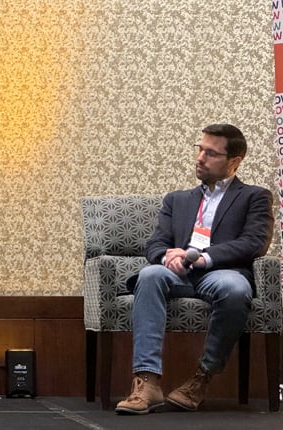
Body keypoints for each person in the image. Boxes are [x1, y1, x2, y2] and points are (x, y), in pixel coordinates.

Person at [115, 124, 273, 415]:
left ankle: (201, 379)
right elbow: (156, 244)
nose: (200, 158)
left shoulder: (255, 197)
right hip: (177, 273)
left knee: (235, 289)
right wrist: (168, 257)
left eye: (211, 153)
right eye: (200, 149)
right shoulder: (177, 200)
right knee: (149, 275)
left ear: (234, 161)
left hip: (221, 272)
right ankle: (147, 382)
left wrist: (203, 257)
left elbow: (254, 242)